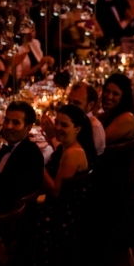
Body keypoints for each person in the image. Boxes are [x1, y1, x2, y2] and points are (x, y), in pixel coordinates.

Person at [0, 101, 44, 215]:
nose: (8, 126)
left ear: (28, 128)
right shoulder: (6, 149)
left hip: (6, 220)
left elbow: (12, 190)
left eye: (16, 123)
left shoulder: (32, 155)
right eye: (7, 120)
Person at [39, 104, 97, 243]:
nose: (57, 128)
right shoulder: (70, 145)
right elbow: (59, 149)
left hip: (62, 217)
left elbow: (56, 192)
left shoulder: (72, 153)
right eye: (57, 122)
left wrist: (38, 166)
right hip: (69, 210)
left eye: (64, 125)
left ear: (77, 129)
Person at [43, 82, 105, 156]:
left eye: (76, 103)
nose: (70, 107)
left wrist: (54, 138)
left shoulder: (94, 127)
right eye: (69, 101)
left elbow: (73, 158)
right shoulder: (75, 121)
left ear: (90, 105)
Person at [99, 73, 134, 145]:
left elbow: (98, 142)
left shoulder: (127, 118)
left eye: (115, 94)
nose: (109, 97)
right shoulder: (111, 113)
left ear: (124, 97)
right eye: (107, 91)